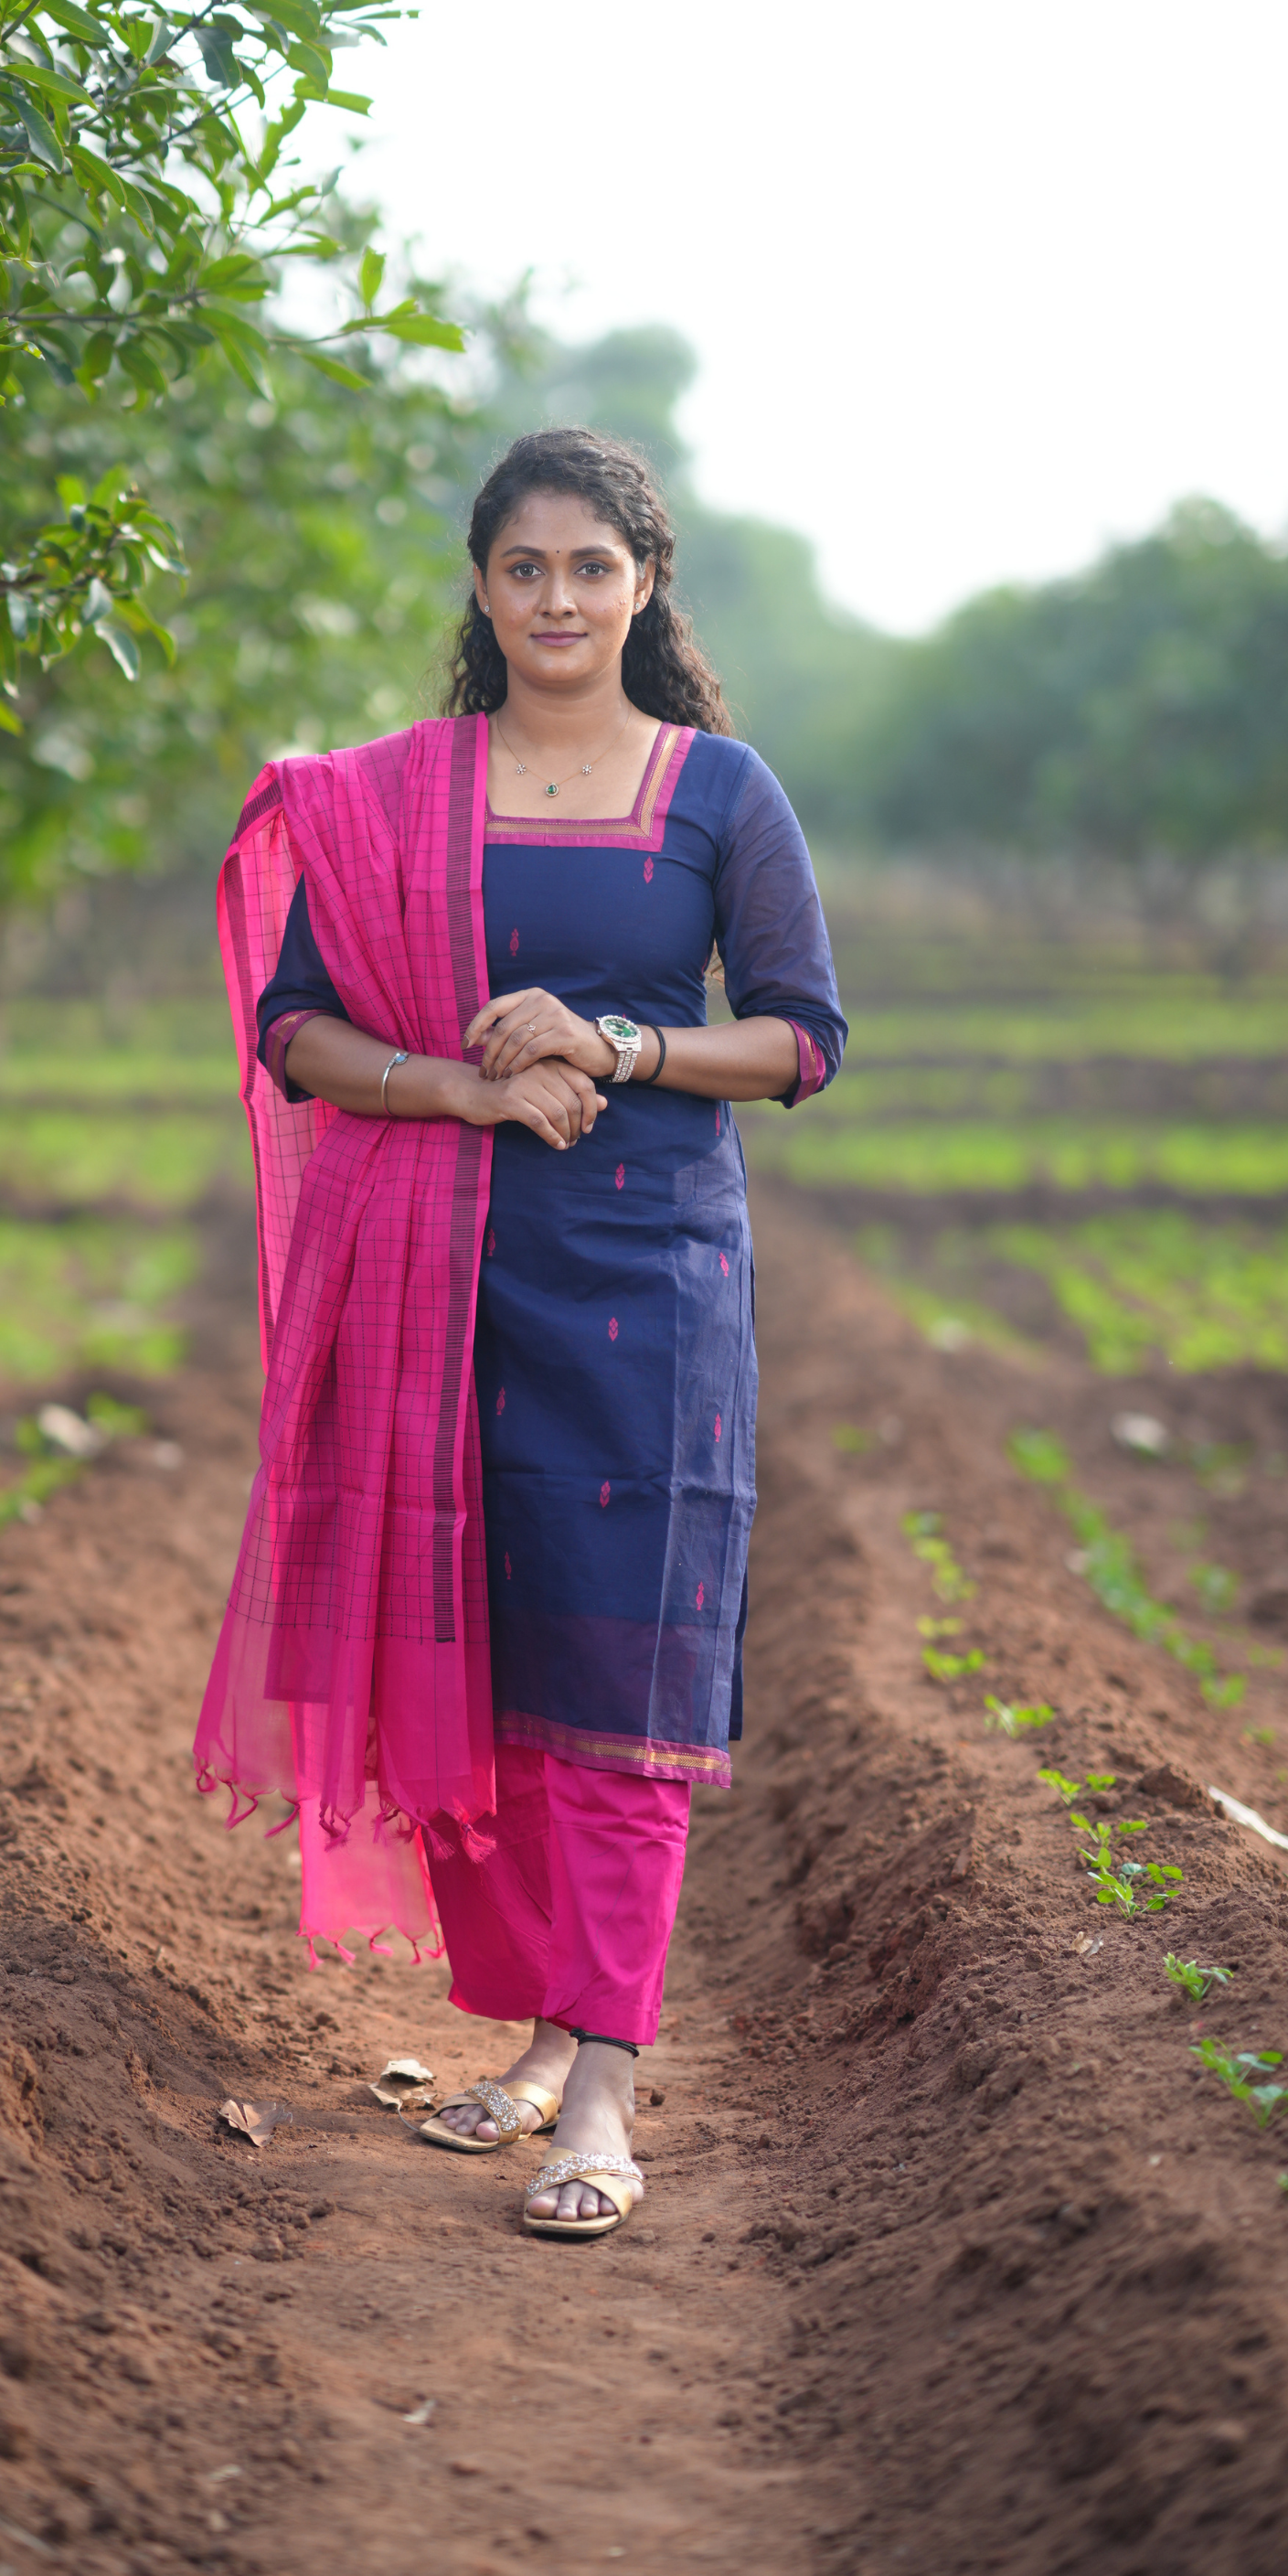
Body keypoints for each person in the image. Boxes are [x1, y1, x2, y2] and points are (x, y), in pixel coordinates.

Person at [196, 428, 845, 2239]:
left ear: (644, 585)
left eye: (590, 567)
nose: (556, 598)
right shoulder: (400, 793)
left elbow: (800, 1041)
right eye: (522, 569)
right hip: (438, 1278)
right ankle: (548, 2038)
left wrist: (618, 1046)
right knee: (473, 1653)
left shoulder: (719, 794)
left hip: (649, 1285)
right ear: (481, 593)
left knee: (626, 1670)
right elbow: (296, 1024)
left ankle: (605, 2099)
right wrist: (463, 1096)